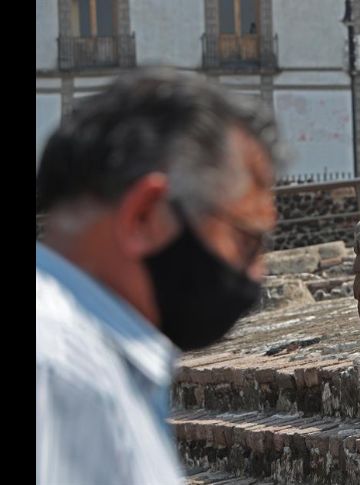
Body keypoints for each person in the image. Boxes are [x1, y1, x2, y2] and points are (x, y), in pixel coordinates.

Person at [36, 67, 281, 484]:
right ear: (145, 215)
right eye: (246, 242)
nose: (257, 273)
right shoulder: (61, 371)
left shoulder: (99, 359)